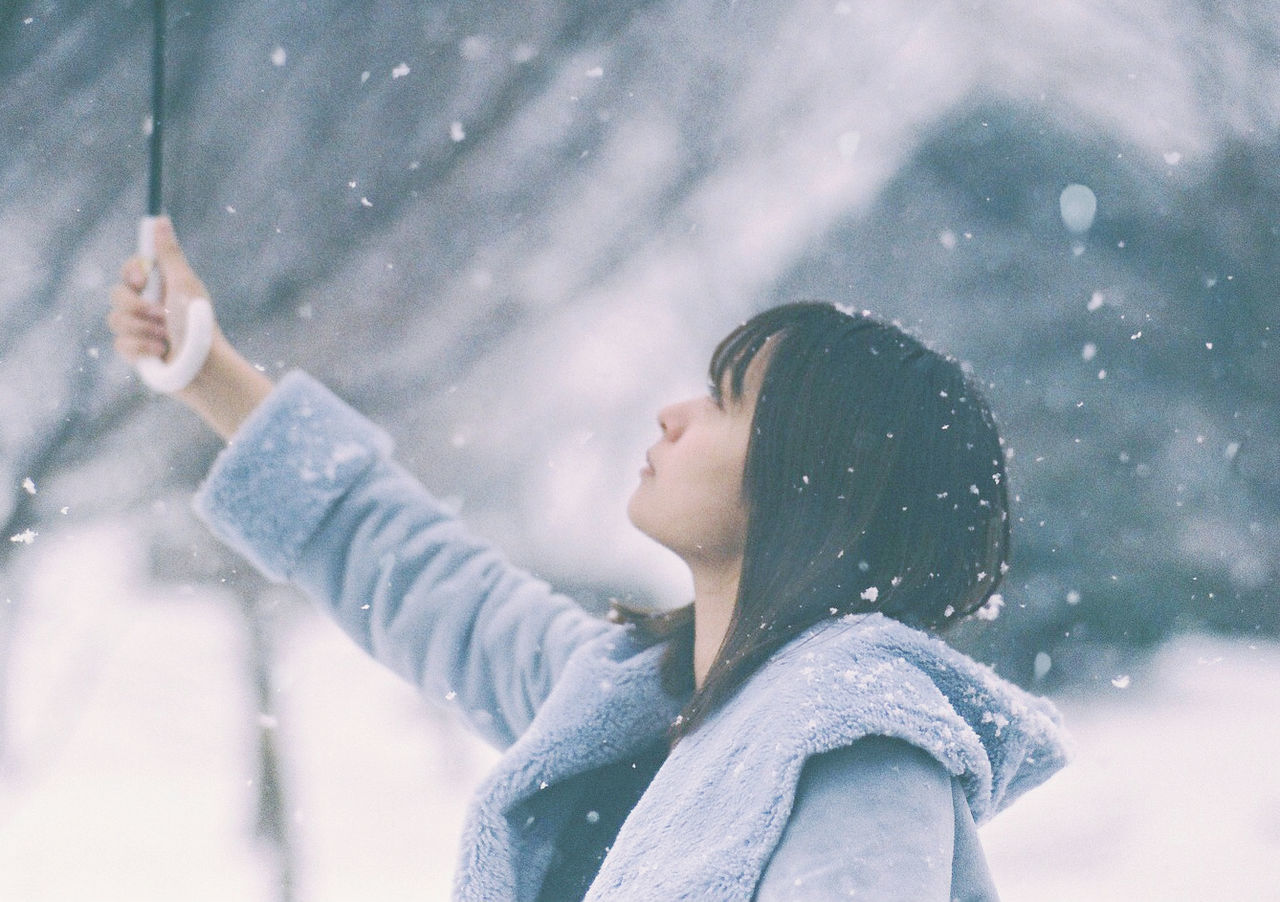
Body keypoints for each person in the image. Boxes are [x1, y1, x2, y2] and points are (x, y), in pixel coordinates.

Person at [108, 217, 1070, 901]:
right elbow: (420, 577)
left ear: (813, 483)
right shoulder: (638, 702)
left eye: (726, 403)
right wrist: (211, 375)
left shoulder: (865, 748)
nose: (673, 414)